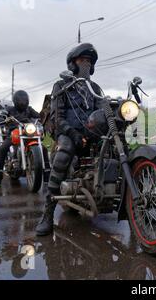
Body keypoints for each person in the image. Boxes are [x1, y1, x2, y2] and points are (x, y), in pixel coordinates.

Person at [36, 43, 104, 236]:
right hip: (68, 132)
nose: (85, 64)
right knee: (64, 151)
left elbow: (102, 108)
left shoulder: (95, 87)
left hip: (92, 133)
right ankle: (48, 213)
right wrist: (73, 134)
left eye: (88, 61)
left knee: (116, 148)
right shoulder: (62, 85)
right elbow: (58, 118)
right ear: (72, 64)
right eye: (82, 60)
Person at [0, 91, 41, 187]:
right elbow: (3, 115)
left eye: (24, 100)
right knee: (2, 149)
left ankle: (45, 174)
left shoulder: (29, 109)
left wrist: (42, 117)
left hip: (27, 132)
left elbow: (38, 116)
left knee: (43, 149)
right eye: (20, 100)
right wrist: (2, 119)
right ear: (15, 101)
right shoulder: (10, 109)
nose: (23, 102)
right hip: (14, 133)